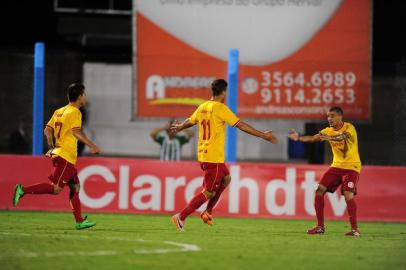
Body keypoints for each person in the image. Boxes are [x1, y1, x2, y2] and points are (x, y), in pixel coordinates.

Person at [170, 79, 278, 231]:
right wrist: (262, 135)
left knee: (226, 179)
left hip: (205, 154)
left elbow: (191, 120)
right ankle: (181, 217)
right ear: (223, 92)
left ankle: (208, 211)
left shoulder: (203, 107)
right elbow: (240, 124)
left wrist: (181, 126)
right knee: (208, 192)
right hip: (213, 157)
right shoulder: (220, 108)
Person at [12, 83, 101, 230]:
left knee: (75, 187)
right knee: (56, 189)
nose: (85, 97)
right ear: (79, 97)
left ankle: (79, 221)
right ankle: (23, 190)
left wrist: (51, 146)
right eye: (84, 94)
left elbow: (47, 130)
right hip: (65, 156)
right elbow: (76, 132)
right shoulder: (75, 112)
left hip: (64, 156)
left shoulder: (59, 111)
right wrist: (92, 145)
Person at [288, 106, 361, 236]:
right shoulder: (327, 131)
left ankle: (355, 229)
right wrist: (298, 138)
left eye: (332, 116)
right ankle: (320, 227)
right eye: (328, 116)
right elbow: (312, 138)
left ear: (340, 116)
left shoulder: (349, 128)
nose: (329, 118)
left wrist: (328, 138)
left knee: (348, 194)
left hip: (352, 167)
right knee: (319, 190)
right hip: (336, 166)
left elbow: (342, 138)